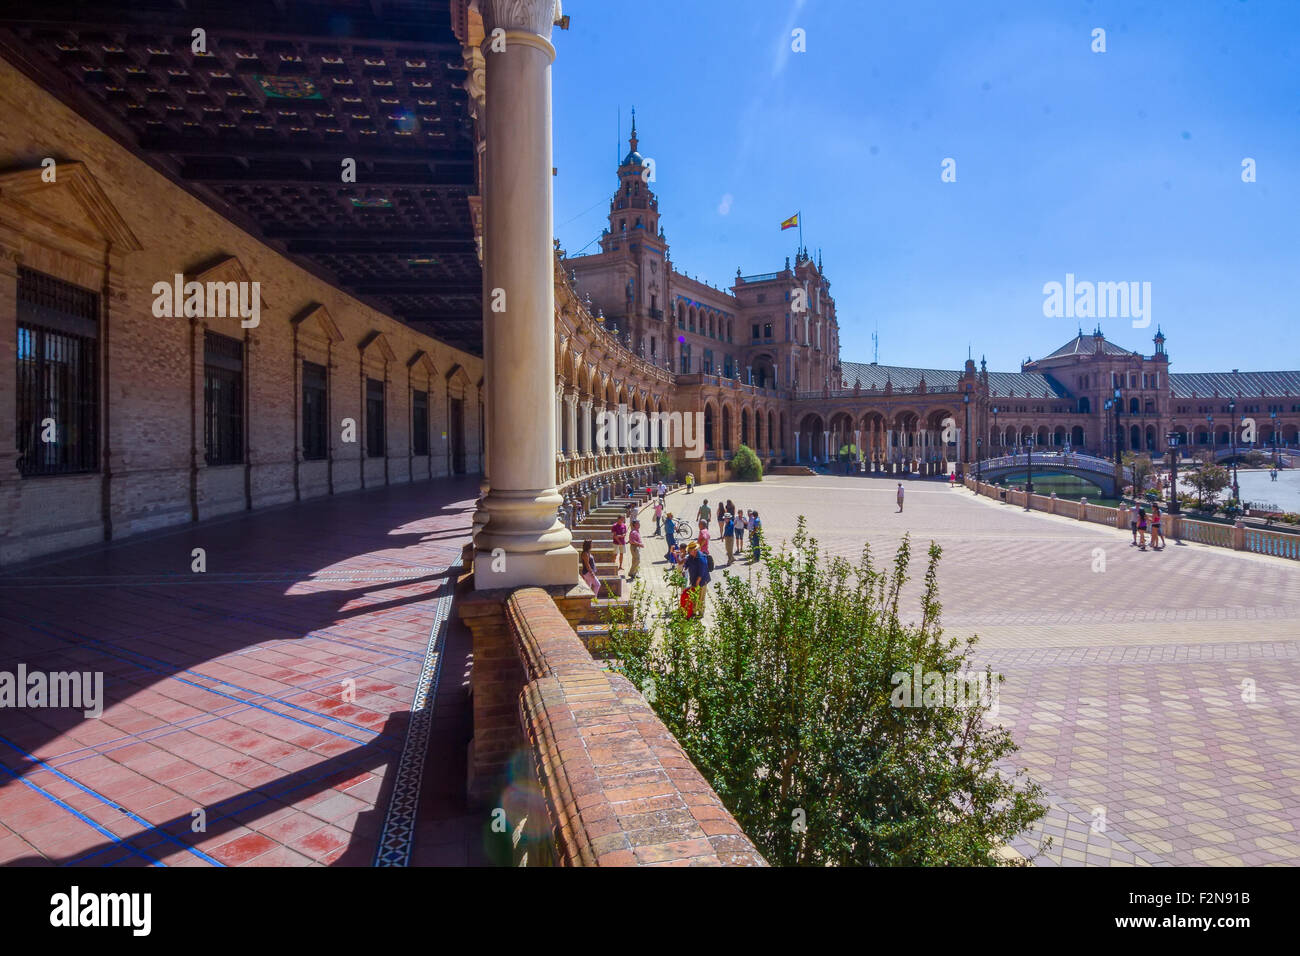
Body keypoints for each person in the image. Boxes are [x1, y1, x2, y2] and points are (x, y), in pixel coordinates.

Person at [683, 540, 711, 615]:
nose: (689, 552)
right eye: (689, 551)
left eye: (691, 551)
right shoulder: (691, 556)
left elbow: (701, 572)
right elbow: (687, 563)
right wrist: (684, 568)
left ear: (695, 550)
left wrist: (697, 582)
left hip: (701, 581)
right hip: (694, 580)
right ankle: (694, 611)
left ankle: (701, 612)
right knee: (694, 597)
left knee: (701, 597)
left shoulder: (701, 558)